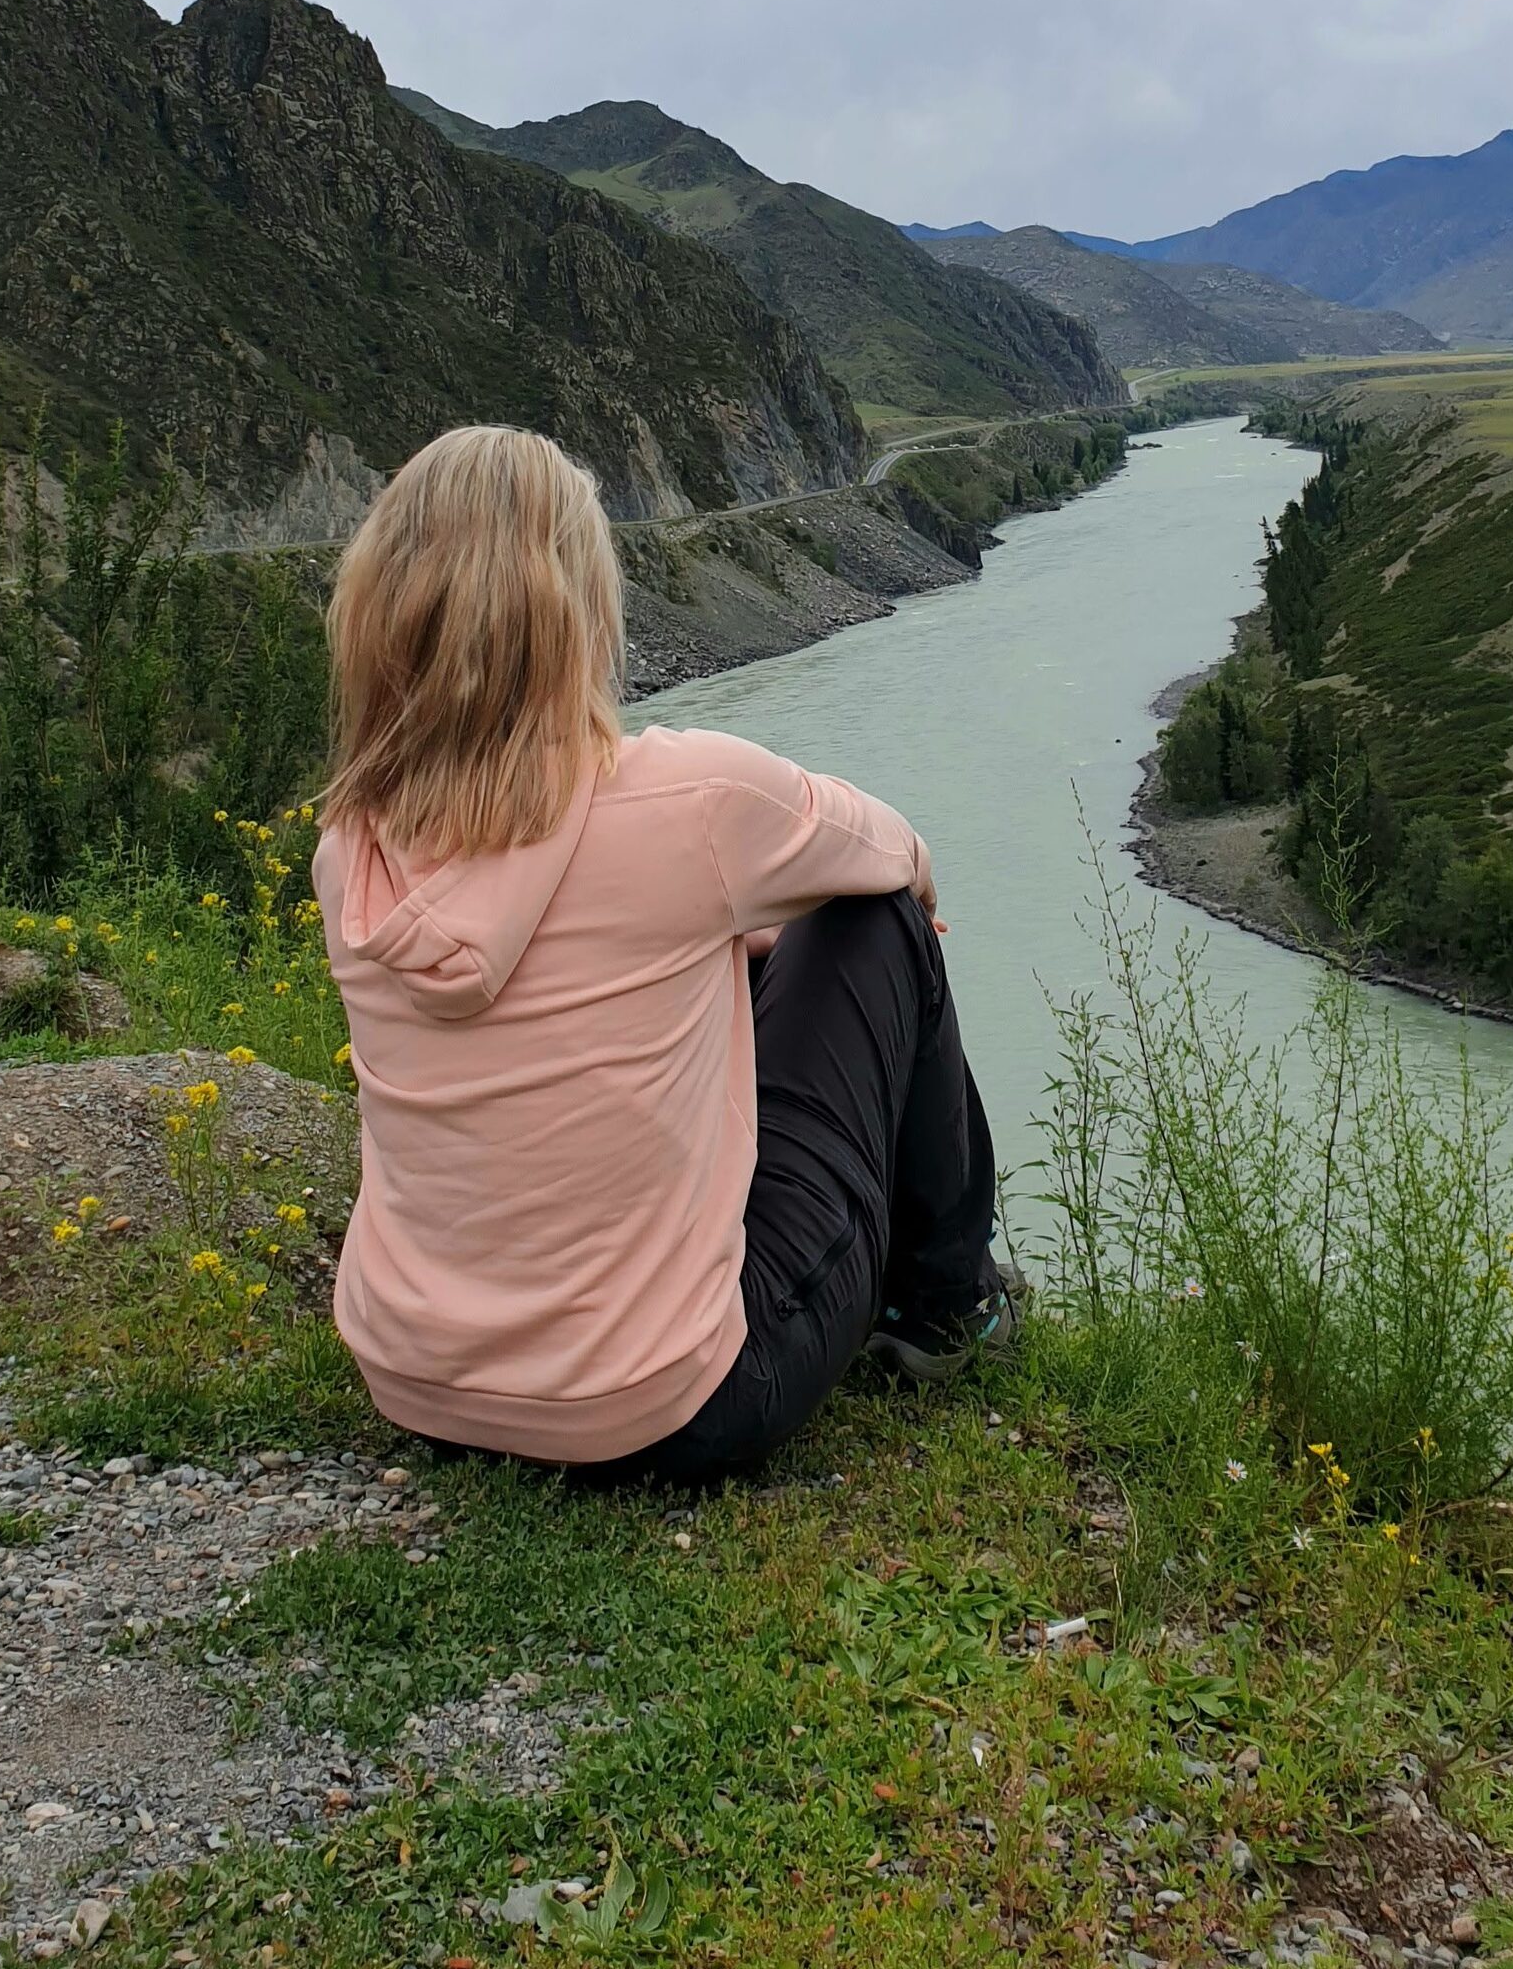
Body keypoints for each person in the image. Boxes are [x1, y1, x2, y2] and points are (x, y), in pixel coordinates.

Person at [312, 424, 1012, 1476]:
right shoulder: (694, 800)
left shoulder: (348, 843)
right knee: (875, 922)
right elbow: (895, 854)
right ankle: (948, 1307)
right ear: (576, 607)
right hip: (671, 1401)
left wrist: (727, 932)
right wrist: (757, 919)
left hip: (417, 1384)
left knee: (761, 937)